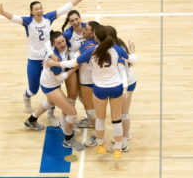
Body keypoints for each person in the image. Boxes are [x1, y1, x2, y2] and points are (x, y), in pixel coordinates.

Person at [0, 0, 93, 114]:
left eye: (40, 8)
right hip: (34, 60)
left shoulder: (48, 18)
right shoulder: (28, 22)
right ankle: (26, 97)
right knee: (33, 89)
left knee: (54, 87)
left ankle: (51, 114)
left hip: (49, 57)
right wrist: (2, 12)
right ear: (31, 12)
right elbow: (14, 18)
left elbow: (66, 8)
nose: (39, 11)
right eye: (36, 9)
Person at [44, 25, 136, 158]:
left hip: (100, 89)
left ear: (96, 38)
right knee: (116, 120)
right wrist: (132, 49)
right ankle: (117, 148)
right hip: (116, 87)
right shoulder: (116, 48)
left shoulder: (92, 50)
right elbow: (133, 60)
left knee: (100, 118)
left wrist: (56, 64)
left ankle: (100, 145)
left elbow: (72, 63)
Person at [24, 31, 84, 151]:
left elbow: (47, 41)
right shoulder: (53, 59)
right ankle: (68, 140)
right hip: (51, 86)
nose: (62, 44)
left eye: (63, 41)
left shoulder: (54, 49)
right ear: (54, 44)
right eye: (59, 43)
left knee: (50, 103)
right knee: (72, 112)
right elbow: (61, 77)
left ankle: (31, 120)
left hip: (49, 83)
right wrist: (75, 68)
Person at [106, 26, 137, 153]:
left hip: (126, 84)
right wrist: (132, 49)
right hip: (128, 81)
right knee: (123, 112)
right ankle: (126, 134)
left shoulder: (115, 50)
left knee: (122, 114)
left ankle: (123, 143)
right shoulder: (119, 45)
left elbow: (129, 65)